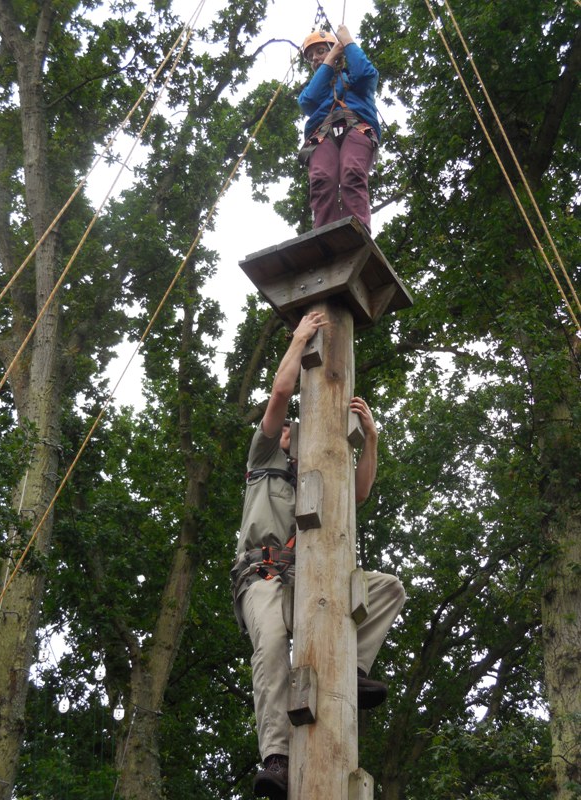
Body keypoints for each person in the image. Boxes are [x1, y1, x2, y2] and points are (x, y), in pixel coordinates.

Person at [231, 311, 406, 800]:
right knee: (270, 645)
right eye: (285, 429)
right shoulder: (263, 460)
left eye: (295, 431)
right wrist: (299, 339)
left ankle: (352, 668)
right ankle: (277, 757)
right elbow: (280, 395)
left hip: (306, 580)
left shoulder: (315, 474)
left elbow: (359, 493)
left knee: (387, 588)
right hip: (264, 579)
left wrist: (370, 440)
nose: (288, 431)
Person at [298, 25, 381, 233]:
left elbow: (366, 74)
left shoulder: (353, 78)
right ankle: (325, 233)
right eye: (310, 58)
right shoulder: (318, 88)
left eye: (320, 51)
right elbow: (308, 101)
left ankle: (357, 231)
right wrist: (330, 57)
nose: (315, 59)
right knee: (321, 180)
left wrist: (347, 41)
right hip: (322, 133)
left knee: (352, 172)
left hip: (357, 126)